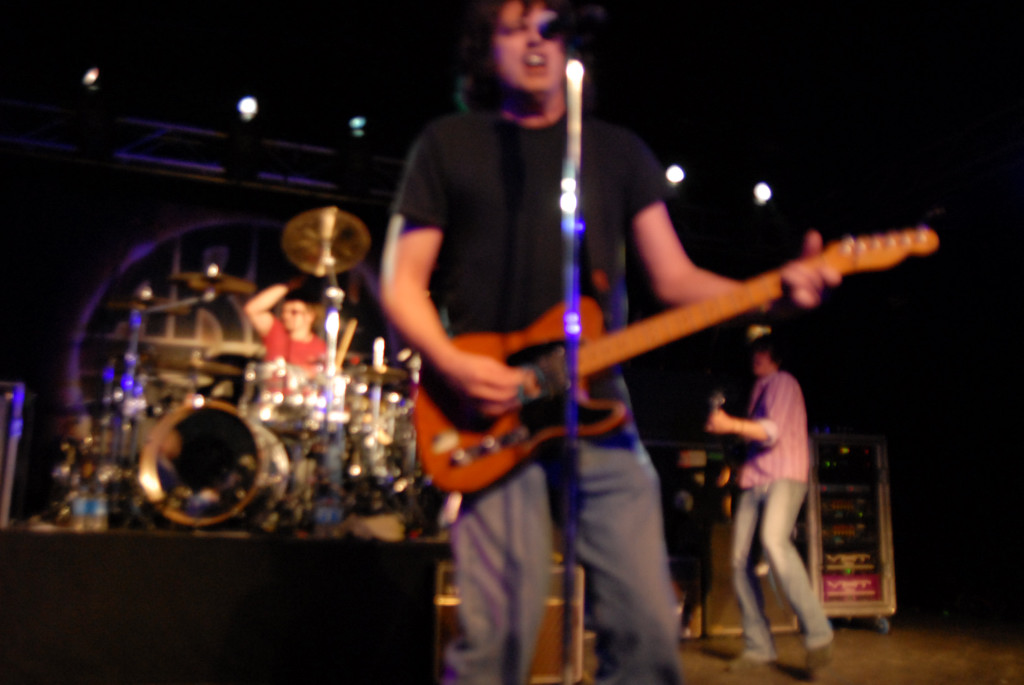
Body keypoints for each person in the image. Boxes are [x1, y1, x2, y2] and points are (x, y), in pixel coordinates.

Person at [380, 1, 841, 682]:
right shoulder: (448, 144)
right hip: (485, 413)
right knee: (497, 642)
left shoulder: (618, 151)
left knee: (650, 631)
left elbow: (675, 277)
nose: (534, 41)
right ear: (485, 49)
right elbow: (400, 283)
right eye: (513, 28)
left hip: (600, 408)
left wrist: (774, 297)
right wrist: (450, 363)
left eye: (547, 25)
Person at [704, 333, 834, 675]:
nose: (757, 356)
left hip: (784, 476)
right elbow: (755, 438)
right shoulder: (757, 391)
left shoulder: (783, 382)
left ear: (776, 356)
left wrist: (730, 423)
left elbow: (772, 431)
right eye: (755, 351)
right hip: (754, 480)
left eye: (764, 351)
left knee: (774, 542)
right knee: (738, 560)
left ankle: (819, 636)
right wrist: (730, 438)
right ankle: (759, 647)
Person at [243, 279, 327, 372]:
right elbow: (252, 309)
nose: (286, 316)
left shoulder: (321, 347)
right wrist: (287, 287)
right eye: (284, 311)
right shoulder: (276, 332)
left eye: (294, 312)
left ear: (310, 316)